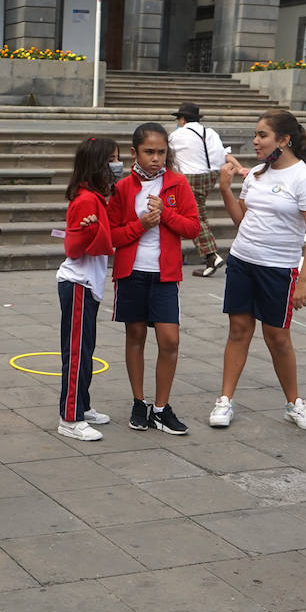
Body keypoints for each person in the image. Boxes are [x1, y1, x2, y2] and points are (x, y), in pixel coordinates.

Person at [210, 109, 306, 432]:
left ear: (284, 140)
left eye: (262, 135)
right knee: (238, 330)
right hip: (242, 262)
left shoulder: (304, 178)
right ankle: (224, 399)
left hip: (278, 269)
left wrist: (304, 281)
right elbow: (242, 220)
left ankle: (294, 403)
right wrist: (225, 190)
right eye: (255, 134)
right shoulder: (258, 174)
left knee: (277, 337)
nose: (255, 141)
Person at [109, 123, 200, 436]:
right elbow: (112, 235)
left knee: (170, 339)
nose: (156, 158)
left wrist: (166, 215)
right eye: (149, 152)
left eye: (162, 152)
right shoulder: (122, 188)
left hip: (165, 274)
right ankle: (139, 401)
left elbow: (193, 228)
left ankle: (161, 408)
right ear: (135, 152)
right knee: (135, 336)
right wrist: (140, 224)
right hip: (131, 272)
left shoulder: (177, 184)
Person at [52, 136, 119, 442]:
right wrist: (89, 231)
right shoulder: (86, 200)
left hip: (87, 285)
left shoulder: (94, 197)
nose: (117, 166)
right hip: (78, 284)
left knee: (86, 350)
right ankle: (70, 417)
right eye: (112, 160)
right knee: (77, 352)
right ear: (98, 165)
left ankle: (83, 405)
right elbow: (73, 247)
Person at [168, 102, 228, 277]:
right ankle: (209, 258)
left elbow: (167, 155)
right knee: (196, 212)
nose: (179, 122)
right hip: (210, 176)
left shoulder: (178, 135)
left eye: (179, 119)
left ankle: (211, 255)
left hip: (191, 177)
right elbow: (220, 155)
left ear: (183, 119)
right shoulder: (210, 132)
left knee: (193, 215)